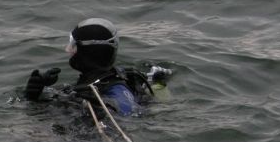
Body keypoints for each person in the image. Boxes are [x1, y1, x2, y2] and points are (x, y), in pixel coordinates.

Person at [20, 18, 170, 116]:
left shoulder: (114, 88)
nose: (68, 50)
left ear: (89, 52)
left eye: (73, 45)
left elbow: (126, 111)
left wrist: (103, 107)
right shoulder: (93, 84)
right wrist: (33, 94)